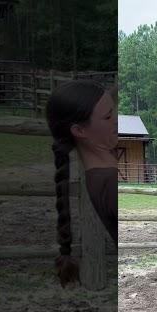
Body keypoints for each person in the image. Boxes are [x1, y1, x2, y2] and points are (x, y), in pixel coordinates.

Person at [45, 80, 118, 286]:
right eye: (108, 116)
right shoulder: (109, 182)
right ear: (80, 131)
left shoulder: (98, 177)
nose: (117, 120)